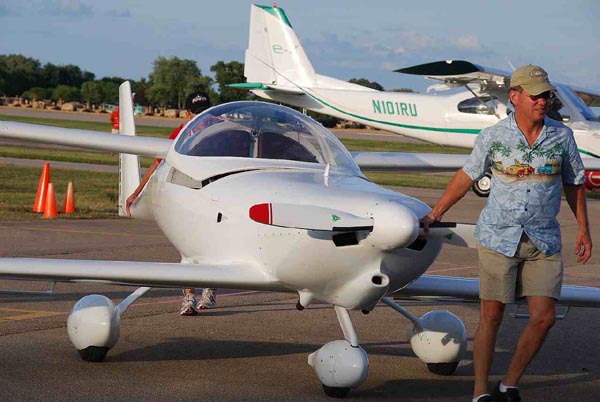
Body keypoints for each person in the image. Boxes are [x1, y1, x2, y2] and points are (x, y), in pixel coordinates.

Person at [421, 65, 592, 402]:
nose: (542, 101)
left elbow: (574, 183)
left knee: (543, 318)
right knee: (492, 316)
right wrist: (436, 212)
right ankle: (480, 392)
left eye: (546, 95)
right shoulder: (493, 137)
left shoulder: (562, 136)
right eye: (535, 95)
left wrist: (584, 229)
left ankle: (509, 383)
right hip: (499, 238)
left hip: (543, 240)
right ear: (515, 97)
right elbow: (467, 175)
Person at [125, 91, 217, 316]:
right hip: (188, 196)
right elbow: (158, 162)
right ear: (187, 114)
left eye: (202, 112)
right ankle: (189, 297)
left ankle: (210, 288)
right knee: (188, 248)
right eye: (195, 112)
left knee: (212, 247)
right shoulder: (179, 134)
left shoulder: (221, 131)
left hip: (214, 198)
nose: (198, 116)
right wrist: (136, 192)